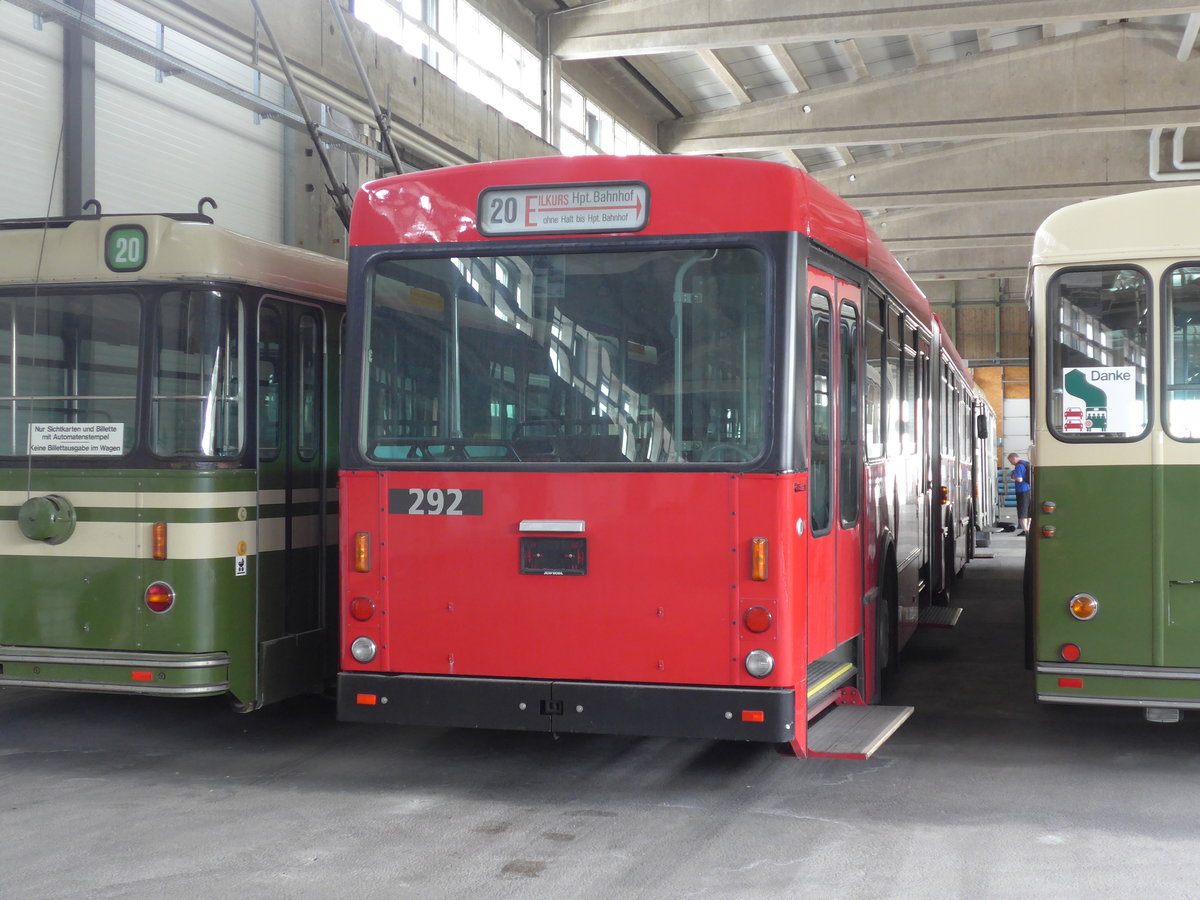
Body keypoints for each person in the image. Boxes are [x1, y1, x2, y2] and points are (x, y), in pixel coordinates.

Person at [1008, 451, 1032, 536]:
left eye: (1011, 461)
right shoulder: (1026, 464)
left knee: (1022, 511)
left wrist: (1013, 477)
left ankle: (1025, 530)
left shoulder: (1019, 466)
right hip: (1029, 489)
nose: (1011, 463)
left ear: (1013, 458)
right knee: (1029, 511)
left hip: (1021, 490)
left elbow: (1020, 479)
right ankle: (1028, 528)